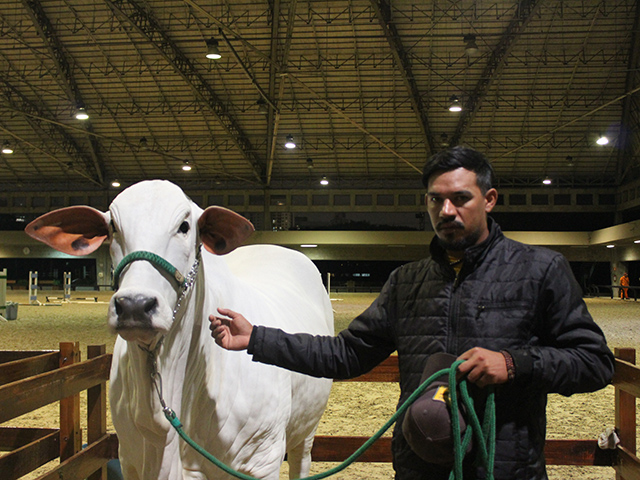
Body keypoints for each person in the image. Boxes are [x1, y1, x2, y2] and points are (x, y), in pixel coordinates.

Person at [209, 146, 615, 480]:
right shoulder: (407, 282)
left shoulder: (541, 271)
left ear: (489, 200)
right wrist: (257, 338)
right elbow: (345, 354)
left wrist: (515, 362)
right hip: (419, 466)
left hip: (505, 468)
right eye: (436, 200)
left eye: (460, 198)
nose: (447, 211)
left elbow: (595, 363)